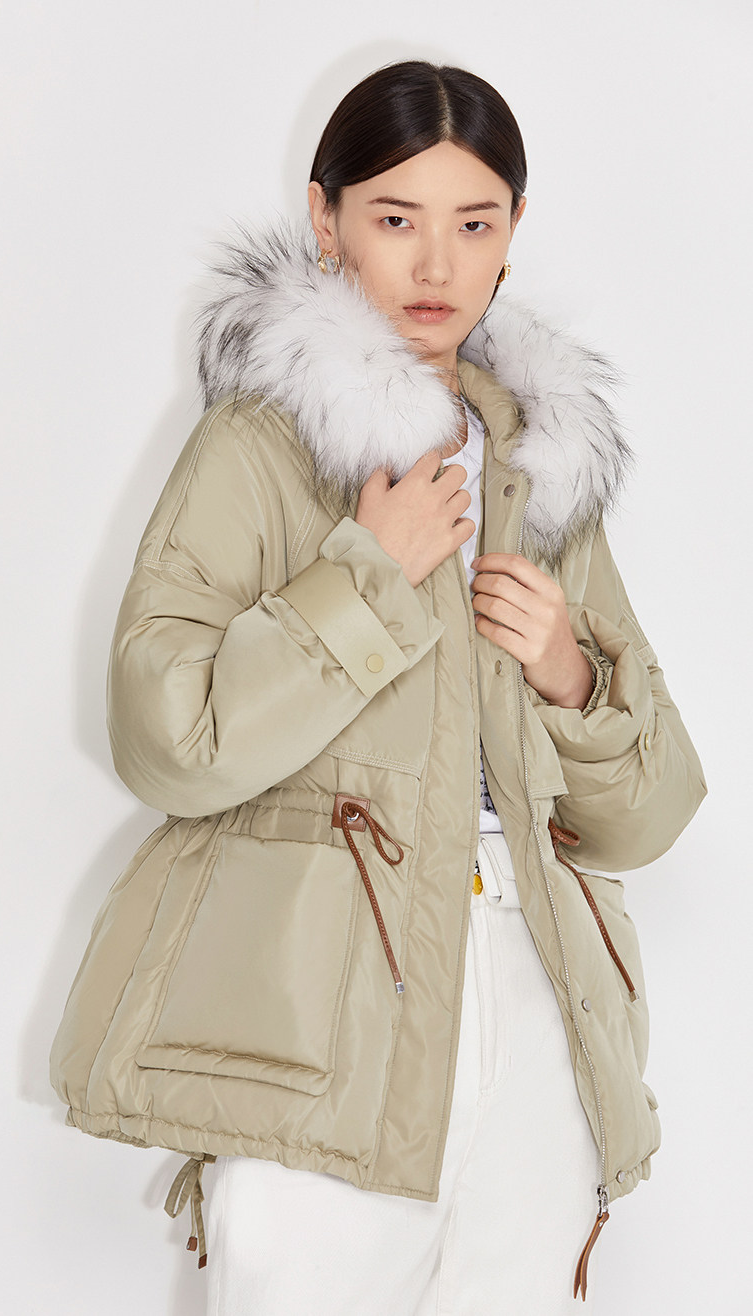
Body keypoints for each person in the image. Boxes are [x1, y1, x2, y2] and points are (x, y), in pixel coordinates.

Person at [50, 60, 707, 1313]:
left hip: (536, 982)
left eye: (475, 223)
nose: (435, 264)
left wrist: (570, 674)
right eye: (395, 218)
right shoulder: (260, 443)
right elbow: (163, 736)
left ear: (512, 233)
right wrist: (363, 577)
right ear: (326, 216)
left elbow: (652, 813)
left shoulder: (537, 465)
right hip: (326, 998)